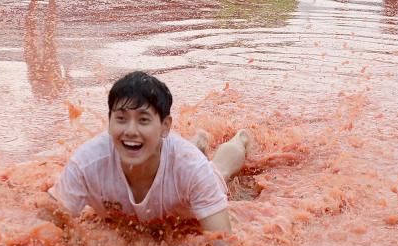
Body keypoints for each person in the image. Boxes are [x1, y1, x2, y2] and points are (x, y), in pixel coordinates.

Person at [39, 71, 251, 235]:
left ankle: (239, 140)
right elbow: (46, 230)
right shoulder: (87, 163)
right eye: (121, 118)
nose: (130, 131)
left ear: (166, 126)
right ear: (109, 120)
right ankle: (195, 144)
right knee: (186, 159)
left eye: (143, 120)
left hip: (187, 183)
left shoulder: (194, 169)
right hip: (177, 158)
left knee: (218, 170)